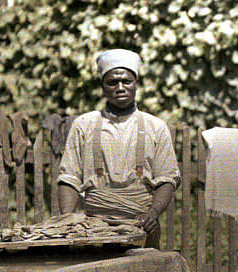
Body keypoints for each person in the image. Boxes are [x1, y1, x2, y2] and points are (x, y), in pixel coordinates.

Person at [58, 48, 181, 249]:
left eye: (127, 81)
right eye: (112, 82)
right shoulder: (83, 125)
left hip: (141, 225)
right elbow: (68, 179)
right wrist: (67, 220)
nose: (120, 87)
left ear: (136, 84)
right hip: (93, 229)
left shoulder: (156, 126)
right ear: (103, 87)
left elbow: (167, 179)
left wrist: (153, 213)